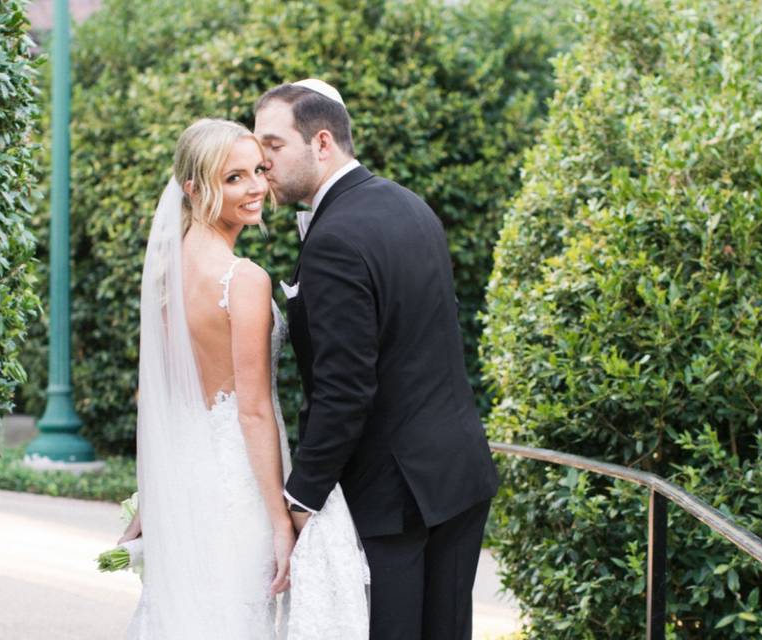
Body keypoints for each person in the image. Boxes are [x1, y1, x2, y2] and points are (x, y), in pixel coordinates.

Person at [254, 80, 501, 640]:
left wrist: (301, 499)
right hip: (456, 476)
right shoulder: (408, 203)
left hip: (394, 494)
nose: (261, 162)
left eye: (272, 145)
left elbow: (345, 387)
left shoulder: (336, 236)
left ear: (321, 143)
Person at [121, 118, 368, 640]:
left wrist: (152, 493)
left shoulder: (167, 273)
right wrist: (282, 519)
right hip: (239, 485)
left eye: (258, 169)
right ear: (194, 188)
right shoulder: (244, 279)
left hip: (183, 482)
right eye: (234, 178)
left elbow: (159, 396)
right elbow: (252, 408)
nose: (257, 186)